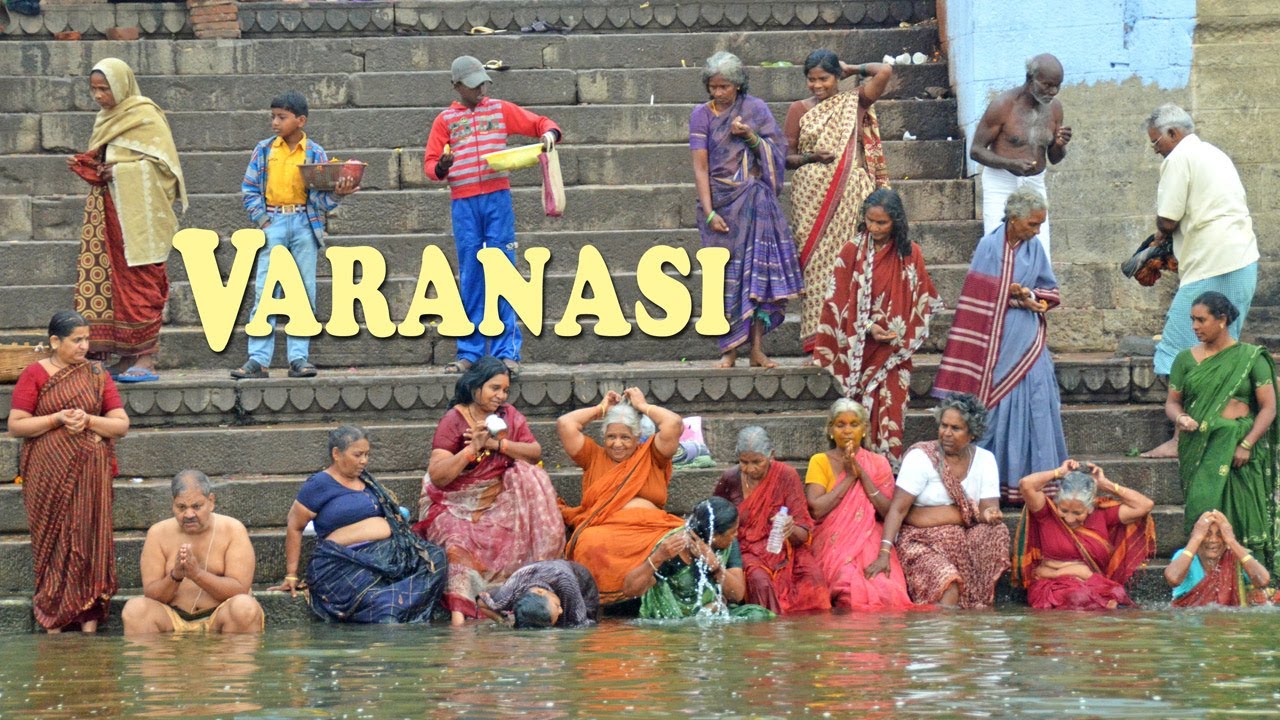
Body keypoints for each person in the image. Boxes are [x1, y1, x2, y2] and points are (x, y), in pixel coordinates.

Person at [423, 55, 562, 377]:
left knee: (504, 272)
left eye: (483, 83)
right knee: (472, 274)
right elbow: (430, 165)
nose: (481, 89)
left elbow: (541, 124)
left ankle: (506, 352)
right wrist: (441, 167)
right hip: (464, 204)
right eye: (473, 86)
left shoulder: (499, 109)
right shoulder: (445, 120)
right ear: (457, 87)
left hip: (497, 200)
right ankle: (469, 350)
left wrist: (550, 135)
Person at [931, 187, 1067, 504]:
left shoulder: (1035, 249)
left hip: (1029, 340)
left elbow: (1050, 290)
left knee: (1036, 401)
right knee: (996, 408)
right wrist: (1010, 293)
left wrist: (1032, 298)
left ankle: (1034, 486)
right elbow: (978, 295)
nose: (1036, 231)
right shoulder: (988, 246)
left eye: (1039, 225)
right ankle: (994, 486)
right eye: (1032, 224)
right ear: (1014, 218)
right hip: (993, 343)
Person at [1142, 105, 1260, 458]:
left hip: (1213, 264)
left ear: (1173, 134)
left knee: (1178, 351)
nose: (1155, 149)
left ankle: (1182, 439)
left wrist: (1155, 245)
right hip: (1243, 260)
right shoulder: (1215, 153)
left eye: (1156, 141)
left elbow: (1167, 218)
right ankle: (1217, 432)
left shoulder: (1179, 158)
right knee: (1221, 351)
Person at [412, 357, 564, 624]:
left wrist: (495, 445)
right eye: (495, 388)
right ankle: (460, 618)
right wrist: (471, 450)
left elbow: (534, 452)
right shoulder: (454, 419)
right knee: (457, 543)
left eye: (505, 390)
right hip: (453, 503)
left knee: (530, 477)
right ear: (475, 388)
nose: (501, 396)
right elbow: (438, 476)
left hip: (501, 501)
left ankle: (510, 603)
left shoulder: (509, 416)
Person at [6, 311, 130, 632]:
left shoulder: (97, 375)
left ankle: (89, 617)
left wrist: (88, 420)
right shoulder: (34, 374)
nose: (84, 346)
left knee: (89, 539)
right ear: (54, 342)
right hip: (47, 477)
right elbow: (17, 425)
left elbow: (120, 424)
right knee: (55, 542)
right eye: (77, 340)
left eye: (86, 339)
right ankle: (53, 619)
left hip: (92, 478)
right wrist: (57, 419)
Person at [68, 58, 186, 383]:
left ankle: (146, 358)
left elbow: (166, 171)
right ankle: (123, 355)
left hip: (141, 221)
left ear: (121, 85)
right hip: (108, 212)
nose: (98, 96)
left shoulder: (146, 116)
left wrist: (118, 171)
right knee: (111, 283)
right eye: (94, 89)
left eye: (104, 89)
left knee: (141, 281)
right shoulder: (105, 119)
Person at [811, 188, 942, 463]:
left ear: (895, 221)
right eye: (870, 221)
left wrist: (899, 331)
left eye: (881, 222)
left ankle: (886, 474)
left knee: (892, 414)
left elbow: (922, 297)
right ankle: (858, 473)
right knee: (858, 419)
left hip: (895, 354)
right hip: (863, 350)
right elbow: (838, 299)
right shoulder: (851, 251)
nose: (874, 227)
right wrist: (869, 327)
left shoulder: (911, 253)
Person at [234, 90, 358, 380]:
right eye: (273, 117)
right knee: (266, 290)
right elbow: (250, 189)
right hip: (273, 222)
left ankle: (299, 358)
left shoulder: (315, 153)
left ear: (300, 120)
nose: (275, 122)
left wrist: (338, 195)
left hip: (304, 223)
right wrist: (263, 221)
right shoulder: (264, 150)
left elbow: (321, 201)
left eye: (282, 117)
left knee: (303, 292)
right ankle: (258, 359)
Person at [690, 51, 803, 369]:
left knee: (757, 279)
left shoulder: (756, 109)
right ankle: (728, 351)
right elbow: (700, 168)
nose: (718, 93)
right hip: (720, 207)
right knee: (724, 278)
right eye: (713, 86)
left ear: (738, 85)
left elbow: (777, 152)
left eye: (724, 86)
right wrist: (710, 212)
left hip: (755, 203)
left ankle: (756, 349)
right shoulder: (701, 115)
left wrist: (751, 136)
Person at [274, 426, 447, 623]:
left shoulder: (367, 482)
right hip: (346, 563)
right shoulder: (319, 484)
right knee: (380, 602)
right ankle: (386, 613)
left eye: (367, 454)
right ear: (336, 454)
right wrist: (291, 575)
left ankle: (395, 609)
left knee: (435, 559)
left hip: (386, 556)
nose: (364, 461)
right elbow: (295, 526)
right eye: (357, 455)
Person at [784, 49, 892, 353]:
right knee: (816, 269)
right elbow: (785, 156)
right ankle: (818, 343)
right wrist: (812, 158)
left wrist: (853, 66)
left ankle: (848, 339)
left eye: (825, 78)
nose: (817, 86)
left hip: (851, 195)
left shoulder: (854, 101)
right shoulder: (798, 109)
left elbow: (883, 72)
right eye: (811, 80)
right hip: (810, 197)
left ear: (837, 77)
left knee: (850, 265)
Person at [1161, 292, 1277, 570]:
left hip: (1240, 453)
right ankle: (1203, 583)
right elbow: (1173, 403)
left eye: (1201, 320)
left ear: (1222, 320)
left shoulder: (1250, 357)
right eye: (1192, 320)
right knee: (1203, 511)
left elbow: (1269, 408)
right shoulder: (1184, 360)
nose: (1194, 327)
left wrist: (1247, 444)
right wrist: (1181, 418)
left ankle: (1250, 586)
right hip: (1200, 449)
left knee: (1244, 514)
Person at [866, 394, 1010, 608]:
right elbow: (897, 509)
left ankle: (978, 611)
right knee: (948, 588)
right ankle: (937, 639)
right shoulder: (922, 457)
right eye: (944, 426)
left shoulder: (985, 459)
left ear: (972, 434)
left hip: (964, 540)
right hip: (922, 542)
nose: (947, 433)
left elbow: (988, 508)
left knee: (996, 533)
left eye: (956, 428)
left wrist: (988, 514)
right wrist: (884, 554)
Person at [557, 388, 687, 604]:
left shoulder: (652, 455)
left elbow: (673, 423)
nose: (617, 444)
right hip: (604, 530)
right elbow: (565, 424)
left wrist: (642, 406)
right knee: (588, 542)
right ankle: (604, 602)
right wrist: (600, 409)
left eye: (625, 437)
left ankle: (665, 600)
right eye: (611, 437)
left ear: (637, 438)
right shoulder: (593, 456)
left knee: (679, 541)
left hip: (651, 530)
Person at [121, 470, 264, 634]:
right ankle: (156, 660)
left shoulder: (233, 529)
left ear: (211, 501)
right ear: (172, 504)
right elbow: (152, 594)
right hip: (172, 616)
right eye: (181, 507)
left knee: (245, 607)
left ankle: (233, 660)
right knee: (135, 610)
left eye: (196, 506)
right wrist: (175, 576)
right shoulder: (158, 533)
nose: (189, 515)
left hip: (218, 616)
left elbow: (240, 589)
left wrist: (196, 575)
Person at [805, 399, 913, 609]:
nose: (847, 431)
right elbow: (816, 509)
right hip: (832, 541)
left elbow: (887, 511)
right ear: (830, 430)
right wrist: (849, 477)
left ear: (864, 430)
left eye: (854, 424)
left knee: (886, 589)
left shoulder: (878, 463)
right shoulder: (819, 461)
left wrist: (862, 473)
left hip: (871, 538)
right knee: (847, 587)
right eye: (840, 424)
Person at [712, 427, 830, 614]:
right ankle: (767, 629)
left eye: (757, 462)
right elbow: (715, 516)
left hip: (785, 548)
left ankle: (810, 633)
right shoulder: (730, 478)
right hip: (744, 549)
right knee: (760, 581)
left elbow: (804, 531)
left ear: (771, 456)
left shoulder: (786, 476)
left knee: (812, 577)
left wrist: (790, 528)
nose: (750, 469)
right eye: (744, 462)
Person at [1012, 461, 1155, 610]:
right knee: (1078, 597)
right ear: (1057, 502)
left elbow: (1145, 505)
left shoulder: (1102, 515)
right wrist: (1058, 473)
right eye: (1064, 510)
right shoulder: (1047, 514)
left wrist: (1106, 485)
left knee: (1117, 594)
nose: (1069, 519)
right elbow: (1026, 484)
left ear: (1091, 506)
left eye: (1077, 513)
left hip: (1091, 583)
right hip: (1053, 586)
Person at [970, 53, 1070, 257]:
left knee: (1039, 251)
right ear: (1030, 78)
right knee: (998, 251)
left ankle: (1033, 290)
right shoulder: (1003, 105)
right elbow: (976, 151)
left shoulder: (1055, 109)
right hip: (1001, 182)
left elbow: (1055, 158)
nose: (1053, 91)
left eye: (1057, 86)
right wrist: (1012, 163)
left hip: (1035, 184)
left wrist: (1059, 145)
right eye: (1047, 85)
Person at [623, 497, 773, 620]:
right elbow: (630, 590)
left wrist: (715, 566)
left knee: (757, 616)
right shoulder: (674, 547)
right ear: (714, 536)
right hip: (672, 617)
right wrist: (657, 557)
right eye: (732, 532)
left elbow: (737, 594)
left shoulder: (728, 544)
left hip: (710, 613)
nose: (736, 535)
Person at [1167, 510, 1274, 607]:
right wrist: (1196, 538)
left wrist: (1232, 541)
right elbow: (1173, 579)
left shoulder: (1235, 557)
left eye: (1220, 534)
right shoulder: (1185, 556)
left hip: (1228, 624)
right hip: (1191, 622)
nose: (1213, 540)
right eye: (1207, 534)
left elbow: (1263, 581)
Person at [478, 560, 600, 628]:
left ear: (540, 592)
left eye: (557, 606)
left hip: (580, 581)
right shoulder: (507, 593)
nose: (561, 610)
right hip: (535, 577)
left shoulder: (566, 583)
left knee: (574, 625)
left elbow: (582, 625)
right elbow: (480, 601)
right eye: (558, 607)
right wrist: (502, 621)